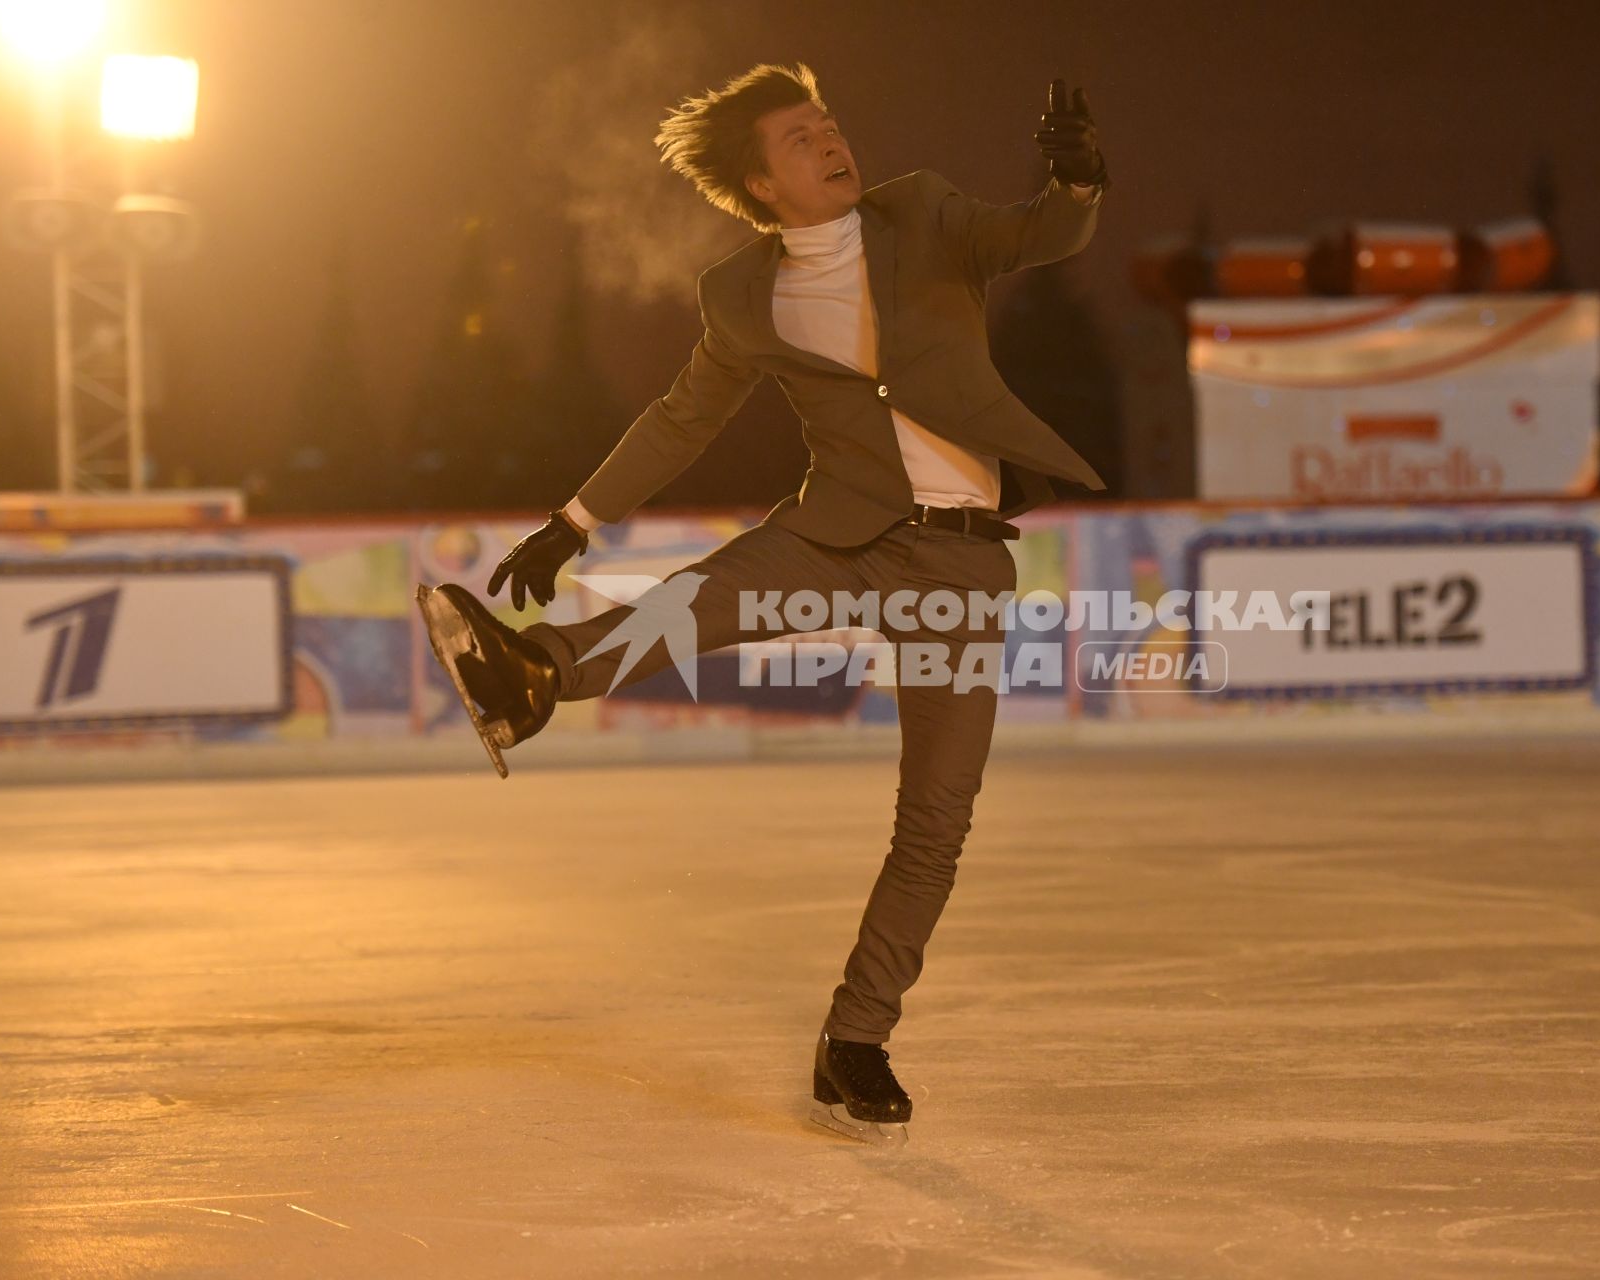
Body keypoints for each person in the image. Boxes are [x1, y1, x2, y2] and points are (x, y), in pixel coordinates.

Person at [416, 61, 1109, 1144]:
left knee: (935, 819)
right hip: (840, 530)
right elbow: (681, 416)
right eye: (801, 138)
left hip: (960, 568)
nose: (831, 142)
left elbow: (1037, 237)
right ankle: (536, 673)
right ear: (761, 183)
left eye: (830, 124)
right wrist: (576, 517)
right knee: (706, 594)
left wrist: (1075, 184)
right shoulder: (738, 294)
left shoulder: (926, 214)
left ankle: (857, 1037)